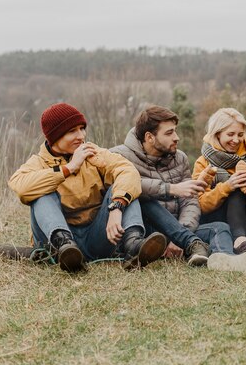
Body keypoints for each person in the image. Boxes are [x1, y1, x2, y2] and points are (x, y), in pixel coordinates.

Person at [8, 102, 166, 272]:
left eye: (82, 129)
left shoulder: (93, 153)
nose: (81, 135)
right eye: (72, 131)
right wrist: (68, 169)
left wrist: (117, 207)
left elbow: (128, 171)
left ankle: (133, 245)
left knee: (124, 190)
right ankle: (65, 245)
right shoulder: (38, 162)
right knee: (40, 193)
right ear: (54, 137)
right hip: (55, 245)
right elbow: (21, 186)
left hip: (96, 237)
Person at [111, 106, 246, 272]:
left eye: (175, 131)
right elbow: (121, 186)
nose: (176, 137)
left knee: (221, 227)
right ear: (149, 137)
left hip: (180, 229)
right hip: (147, 232)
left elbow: (190, 201)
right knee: (142, 196)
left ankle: (226, 259)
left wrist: (180, 233)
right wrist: (172, 189)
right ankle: (184, 244)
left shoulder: (179, 158)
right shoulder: (120, 156)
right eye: (169, 133)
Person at [193, 108, 246, 254]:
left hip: (243, 220)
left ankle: (242, 245)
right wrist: (226, 187)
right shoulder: (203, 162)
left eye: (240, 135)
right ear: (217, 134)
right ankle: (240, 242)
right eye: (230, 134)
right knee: (236, 191)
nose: (236, 140)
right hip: (217, 220)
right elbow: (199, 204)